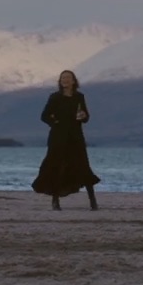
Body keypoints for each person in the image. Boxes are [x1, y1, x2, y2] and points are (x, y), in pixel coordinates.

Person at [32, 70, 101, 211]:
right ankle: (55, 201)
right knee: (57, 166)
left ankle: (93, 201)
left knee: (83, 165)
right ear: (60, 81)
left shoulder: (79, 97)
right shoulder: (55, 97)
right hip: (58, 137)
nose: (65, 80)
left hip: (76, 136)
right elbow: (44, 116)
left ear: (73, 81)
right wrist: (55, 122)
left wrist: (83, 116)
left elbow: (86, 118)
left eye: (68, 78)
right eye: (63, 78)